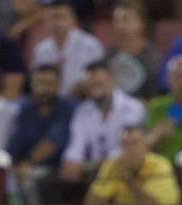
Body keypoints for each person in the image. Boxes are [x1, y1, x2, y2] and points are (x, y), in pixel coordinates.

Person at [59, 60, 147, 197]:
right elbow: (76, 144)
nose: (94, 88)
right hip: (91, 172)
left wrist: (98, 164)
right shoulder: (82, 111)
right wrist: (72, 162)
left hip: (123, 168)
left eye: (99, 83)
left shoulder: (132, 108)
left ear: (113, 80)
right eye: (90, 85)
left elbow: (128, 148)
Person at [8, 65, 76, 205]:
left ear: (58, 86)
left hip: (58, 169)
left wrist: (28, 163)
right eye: (39, 83)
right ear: (32, 85)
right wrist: (13, 165)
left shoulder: (68, 108)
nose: (43, 89)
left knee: (29, 178)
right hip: (27, 167)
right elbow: (15, 143)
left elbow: (53, 142)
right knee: (5, 176)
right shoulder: (26, 111)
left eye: (49, 84)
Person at [84, 124, 181, 205]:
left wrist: (128, 179)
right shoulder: (113, 165)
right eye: (125, 144)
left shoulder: (161, 165)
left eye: (135, 143)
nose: (130, 150)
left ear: (145, 146)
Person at [29, 0, 106, 97]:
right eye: (51, 18)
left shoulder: (91, 46)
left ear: (73, 19)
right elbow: (36, 83)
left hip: (83, 100)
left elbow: (100, 80)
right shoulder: (40, 50)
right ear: (45, 22)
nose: (57, 23)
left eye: (61, 17)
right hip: (50, 102)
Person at [107, 0, 164, 100]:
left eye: (126, 20)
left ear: (141, 23)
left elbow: (155, 94)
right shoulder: (109, 54)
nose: (120, 25)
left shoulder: (151, 56)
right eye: (116, 20)